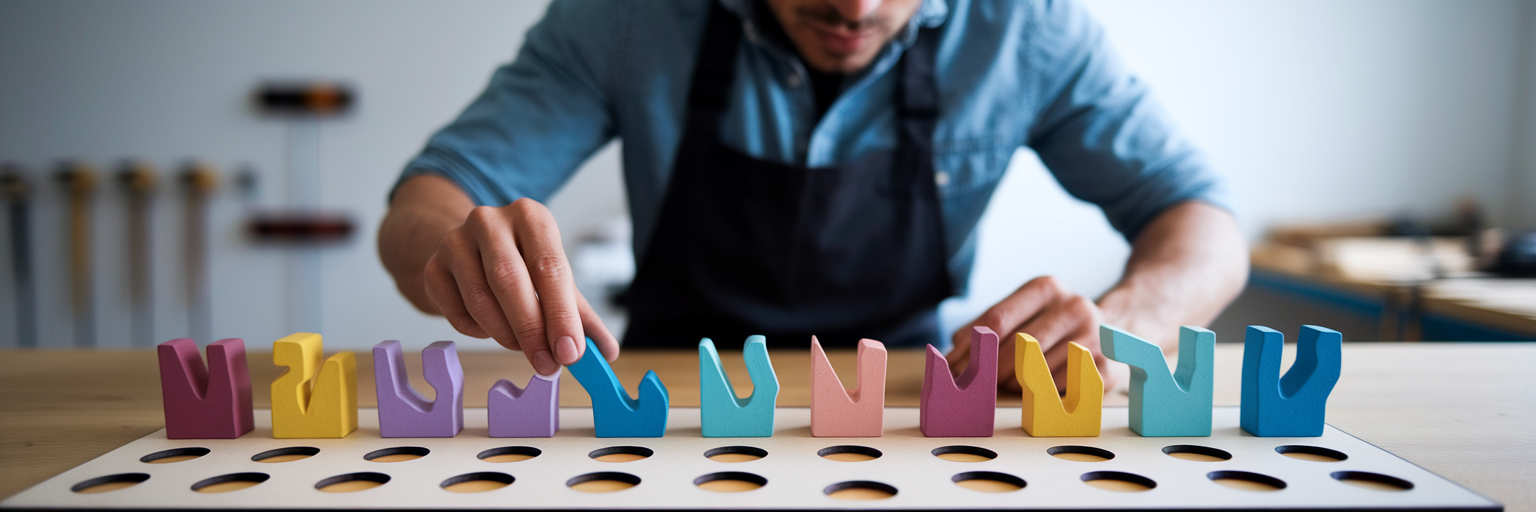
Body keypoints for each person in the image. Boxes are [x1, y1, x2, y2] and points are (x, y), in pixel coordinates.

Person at [378, 0, 1249, 392]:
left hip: (911, 407)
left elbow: (1201, 221)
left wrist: (1130, 322)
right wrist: (460, 253)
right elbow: (423, 206)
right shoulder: (625, 18)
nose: (855, 8)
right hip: (667, 402)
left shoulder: (1029, 28)